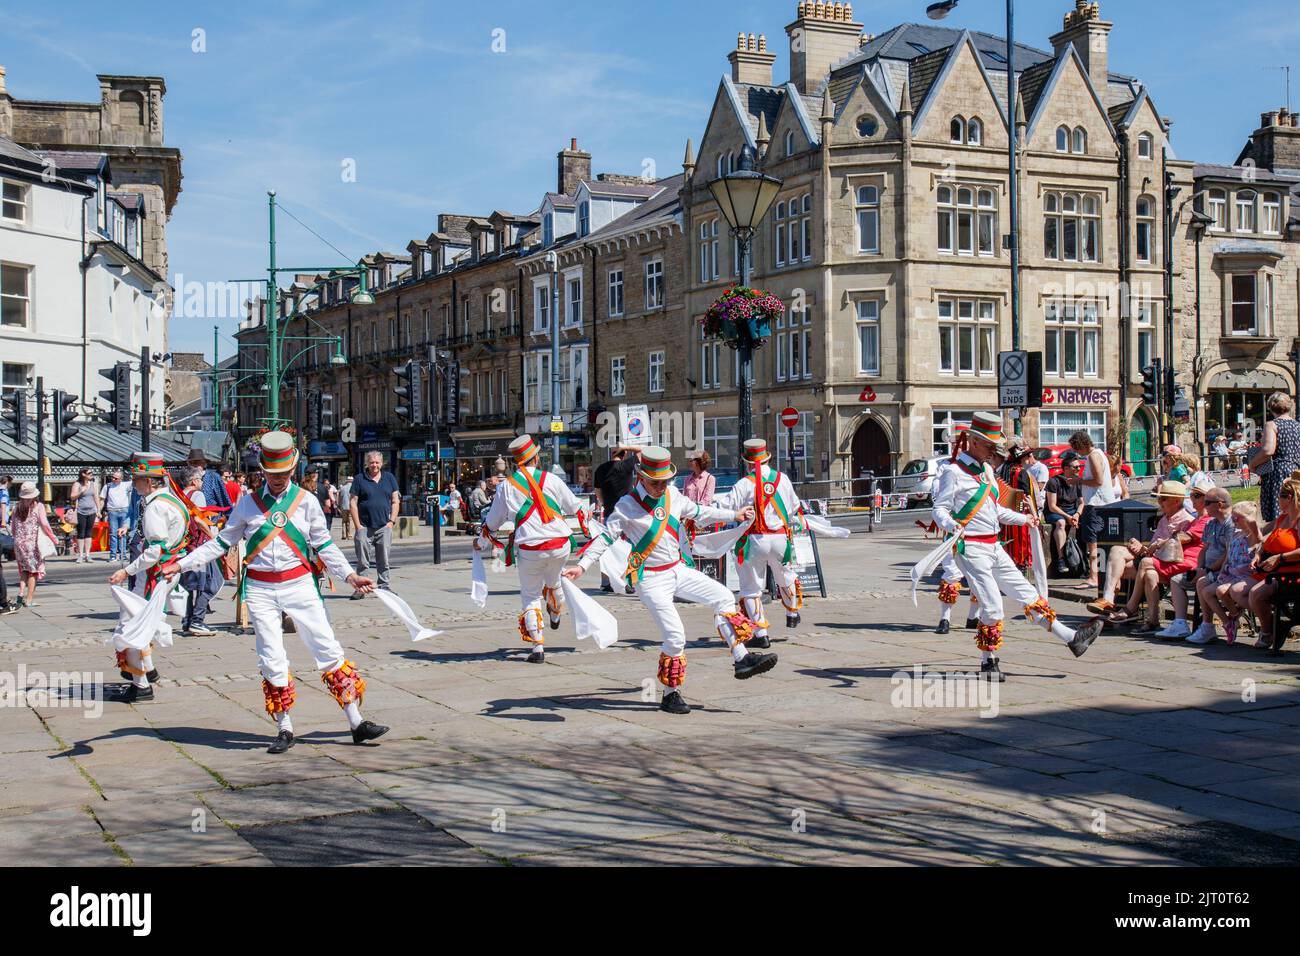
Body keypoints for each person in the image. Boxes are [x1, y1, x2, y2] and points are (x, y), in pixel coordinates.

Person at [170, 431, 386, 754]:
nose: (277, 479)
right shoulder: (247, 504)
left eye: (283, 473)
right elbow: (221, 542)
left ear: (292, 470)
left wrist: (350, 575)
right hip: (259, 588)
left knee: (326, 647)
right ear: (263, 472)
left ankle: (356, 722)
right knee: (271, 655)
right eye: (272, 474)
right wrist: (182, 564)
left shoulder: (307, 502)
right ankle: (284, 727)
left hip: (299, 584)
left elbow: (324, 545)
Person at [563, 446, 773, 714]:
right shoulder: (627, 506)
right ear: (640, 477)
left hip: (677, 569)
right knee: (675, 637)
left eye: (665, 481)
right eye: (655, 482)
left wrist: (734, 515)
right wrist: (581, 566)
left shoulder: (673, 495)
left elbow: (699, 511)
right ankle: (670, 694)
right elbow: (605, 538)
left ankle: (742, 658)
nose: (661, 487)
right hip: (650, 579)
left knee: (723, 597)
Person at [931, 412, 1104, 682]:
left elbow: (995, 511)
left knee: (1027, 593)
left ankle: (1072, 638)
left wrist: (1025, 519)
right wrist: (951, 524)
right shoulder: (953, 473)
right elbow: (939, 508)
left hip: (994, 545)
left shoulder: (987, 471)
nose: (994, 451)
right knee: (992, 606)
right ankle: (988, 660)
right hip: (971, 548)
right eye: (990, 445)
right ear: (975, 442)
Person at [478, 435, 587, 663]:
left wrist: (481, 542)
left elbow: (494, 520)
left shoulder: (507, 486)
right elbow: (575, 506)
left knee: (530, 595)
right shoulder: (552, 479)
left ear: (517, 462)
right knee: (554, 581)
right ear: (536, 458)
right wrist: (590, 530)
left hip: (530, 546)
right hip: (560, 543)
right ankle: (556, 612)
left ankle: (538, 647)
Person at [107, 454, 190, 702]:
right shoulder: (173, 501)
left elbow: (154, 550)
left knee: (131, 626)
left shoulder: (155, 506)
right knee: (142, 622)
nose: (134, 484)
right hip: (167, 571)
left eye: (138, 479)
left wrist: (126, 570)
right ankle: (148, 671)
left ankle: (141, 685)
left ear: (151, 482)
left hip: (154, 573)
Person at [713, 439, 806, 648]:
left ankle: (761, 633)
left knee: (751, 587)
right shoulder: (782, 479)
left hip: (754, 539)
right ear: (767, 458)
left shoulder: (744, 483)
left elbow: (727, 509)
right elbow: (793, 507)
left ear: (747, 461)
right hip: (780, 538)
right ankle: (792, 612)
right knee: (786, 575)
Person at [1089, 480, 1194, 633]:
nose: (1159, 502)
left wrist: (1149, 549)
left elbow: (1174, 553)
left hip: (1168, 566)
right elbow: (1152, 549)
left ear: (1177, 501)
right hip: (1153, 560)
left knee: (1145, 571)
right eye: (1158, 498)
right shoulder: (1164, 519)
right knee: (1117, 550)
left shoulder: (1187, 522)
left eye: (1163, 498)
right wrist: (1141, 547)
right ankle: (1109, 597)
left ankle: (1137, 613)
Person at [1247, 470, 1300, 653]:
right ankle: (1272, 623)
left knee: (1254, 594)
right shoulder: (1282, 519)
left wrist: (1281, 557)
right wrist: (1258, 554)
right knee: (1238, 590)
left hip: (1290, 573)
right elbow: (1263, 539)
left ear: (1290, 497)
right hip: (1271, 569)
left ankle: (1268, 630)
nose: (1278, 499)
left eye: (1281, 496)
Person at [1154, 478, 1214, 639]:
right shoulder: (1196, 519)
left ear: (1207, 500)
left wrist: (1162, 542)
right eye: (1192, 495)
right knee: (1149, 570)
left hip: (1192, 563)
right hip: (1186, 560)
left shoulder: (1206, 520)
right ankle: (1174, 621)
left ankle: (1154, 618)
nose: (1192, 498)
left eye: (1196, 495)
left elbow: (1183, 538)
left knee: (1147, 565)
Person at [1200, 501, 1262, 646]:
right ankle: (1229, 622)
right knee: (1206, 592)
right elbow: (1228, 556)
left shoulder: (1251, 536)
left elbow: (1258, 536)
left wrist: (1251, 521)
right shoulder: (1236, 534)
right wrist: (1222, 570)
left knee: (1221, 591)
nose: (1233, 521)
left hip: (1244, 575)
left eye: (1237, 518)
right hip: (1230, 573)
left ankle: (1234, 615)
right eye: (1232, 518)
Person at [1067, 431, 1117, 591]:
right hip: (1100, 504)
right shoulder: (1099, 454)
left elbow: (1098, 480)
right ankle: (1098, 576)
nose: (1076, 452)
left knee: (1093, 542)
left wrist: (1078, 480)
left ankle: (1094, 577)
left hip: (1096, 504)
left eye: (1076, 448)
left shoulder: (1093, 456)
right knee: (1098, 542)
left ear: (1081, 445)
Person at [176, 465, 222, 638]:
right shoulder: (198, 495)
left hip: (184, 546)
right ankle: (198, 620)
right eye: (200, 479)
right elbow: (199, 519)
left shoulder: (179, 496)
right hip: (200, 545)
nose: (202, 482)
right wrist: (213, 538)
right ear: (194, 481)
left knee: (189, 586)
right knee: (211, 582)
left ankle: (187, 621)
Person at [1183, 486, 1233, 644]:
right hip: (1208, 569)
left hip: (1225, 570)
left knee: (1202, 583)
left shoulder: (1231, 524)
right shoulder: (1211, 523)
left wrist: (1208, 570)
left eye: (1208, 503)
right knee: (1178, 580)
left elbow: (1228, 553)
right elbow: (1203, 549)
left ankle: (1209, 625)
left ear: (1220, 504)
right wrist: (1200, 568)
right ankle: (1185, 623)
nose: (1204, 506)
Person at [349, 452, 400, 596]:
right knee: (363, 561)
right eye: (372, 462)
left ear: (381, 463)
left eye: (377, 462)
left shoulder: (389, 478)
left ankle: (384, 585)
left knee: (383, 559)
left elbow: (395, 501)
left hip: (384, 526)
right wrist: (358, 526)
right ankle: (361, 588)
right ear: (367, 463)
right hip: (364, 526)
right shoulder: (359, 479)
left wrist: (391, 522)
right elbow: (353, 502)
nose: (374, 465)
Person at [1251, 393, 1300, 523]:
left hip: (1278, 471)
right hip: (1296, 471)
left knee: (1279, 513)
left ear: (1270, 407)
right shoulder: (1297, 425)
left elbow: (1268, 450)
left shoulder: (1272, 425)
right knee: (1294, 509)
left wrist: (1253, 463)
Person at [9, 482, 59, 610]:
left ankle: (20, 594)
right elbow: (44, 524)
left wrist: (17, 539)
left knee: (24, 570)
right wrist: (53, 538)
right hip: (32, 544)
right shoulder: (38, 506)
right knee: (33, 572)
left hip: (19, 543)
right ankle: (29, 599)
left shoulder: (16, 508)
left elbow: (13, 527)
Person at [996, 438, 1038, 571]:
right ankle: (1021, 566)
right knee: (1021, 543)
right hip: (1020, 513)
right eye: (1028, 455)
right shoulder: (1022, 473)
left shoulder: (1004, 470)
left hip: (1006, 513)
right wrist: (1035, 514)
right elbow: (1027, 497)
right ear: (1022, 458)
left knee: (1007, 542)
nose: (1030, 458)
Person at [1045, 453, 1085, 576]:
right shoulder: (1054, 482)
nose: (1078, 469)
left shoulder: (1078, 481)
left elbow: (1082, 502)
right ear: (1066, 468)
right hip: (1056, 512)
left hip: (1072, 511)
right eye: (1075, 467)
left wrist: (1077, 514)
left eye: (1079, 466)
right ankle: (1061, 559)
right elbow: (1052, 506)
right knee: (1061, 523)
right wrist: (1068, 517)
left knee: (1086, 522)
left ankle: (1083, 559)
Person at [187, 448, 233, 526]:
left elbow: (224, 499)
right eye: (192, 463)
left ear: (204, 463)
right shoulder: (186, 478)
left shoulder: (213, 477)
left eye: (197, 463)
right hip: (191, 523)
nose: (194, 466)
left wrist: (231, 520)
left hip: (212, 522)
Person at [100, 469, 132, 563]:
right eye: (112, 477)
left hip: (124, 510)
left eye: (116, 478)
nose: (113, 479)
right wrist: (98, 510)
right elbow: (102, 499)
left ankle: (123, 554)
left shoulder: (126, 485)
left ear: (121, 479)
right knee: (113, 533)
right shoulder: (108, 486)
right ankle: (113, 555)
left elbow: (136, 480)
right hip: (112, 511)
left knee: (123, 533)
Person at [70, 468, 100, 563]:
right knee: (81, 533)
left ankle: (87, 555)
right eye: (89, 473)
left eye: (92, 473)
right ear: (83, 474)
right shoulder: (77, 484)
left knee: (89, 533)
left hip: (91, 511)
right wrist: (81, 491)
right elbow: (72, 497)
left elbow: (96, 497)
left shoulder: (93, 484)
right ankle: (80, 555)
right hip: (80, 511)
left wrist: (98, 510)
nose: (92, 474)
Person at [337, 474, 353, 540]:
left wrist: (338, 506)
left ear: (347, 481)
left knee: (344, 521)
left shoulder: (342, 488)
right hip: (351, 506)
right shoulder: (354, 487)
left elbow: (339, 498)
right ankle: (349, 535)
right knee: (350, 521)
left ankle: (343, 535)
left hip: (343, 506)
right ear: (352, 481)